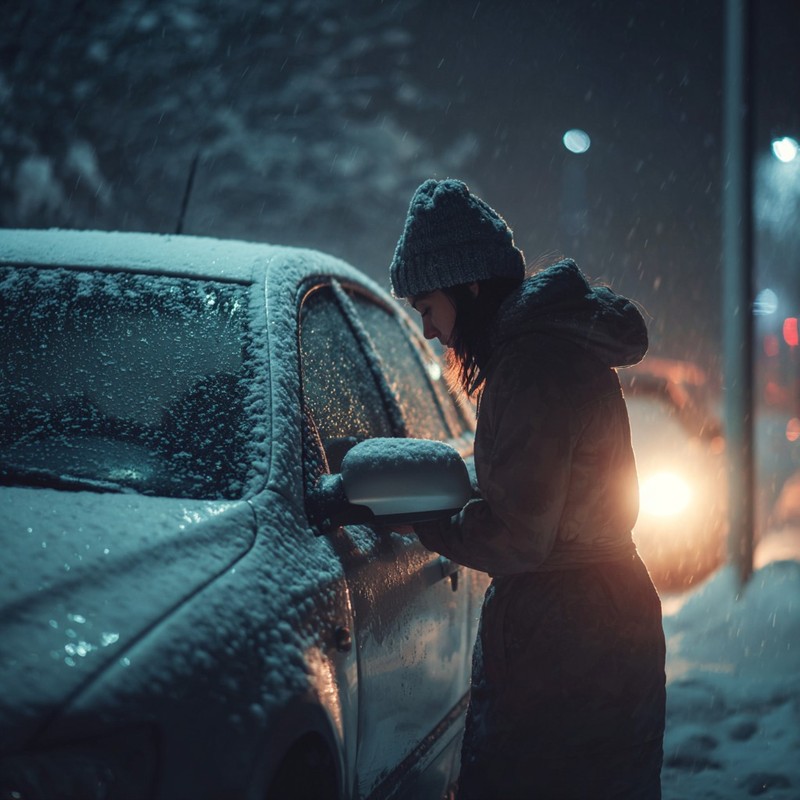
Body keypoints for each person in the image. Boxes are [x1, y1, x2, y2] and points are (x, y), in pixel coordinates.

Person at [389, 178, 666, 800]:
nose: (430, 331)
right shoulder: (551, 350)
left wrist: (424, 523)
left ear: (470, 287)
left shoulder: (529, 367)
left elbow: (519, 536)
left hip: (563, 637)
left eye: (427, 307)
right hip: (604, 621)